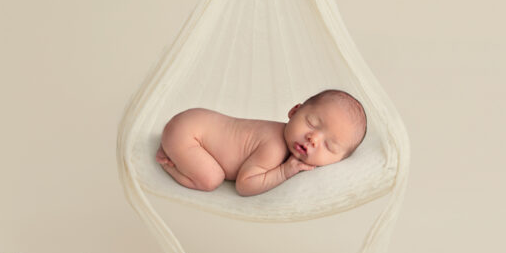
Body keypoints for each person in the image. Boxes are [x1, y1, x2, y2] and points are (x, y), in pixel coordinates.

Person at [155, 89, 366, 196]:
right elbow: (244, 186)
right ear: (294, 112)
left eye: (329, 146)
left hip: (196, 120)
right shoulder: (274, 146)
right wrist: (284, 171)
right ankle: (167, 161)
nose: (314, 138)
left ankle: (175, 150)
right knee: (211, 180)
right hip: (189, 133)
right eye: (311, 123)